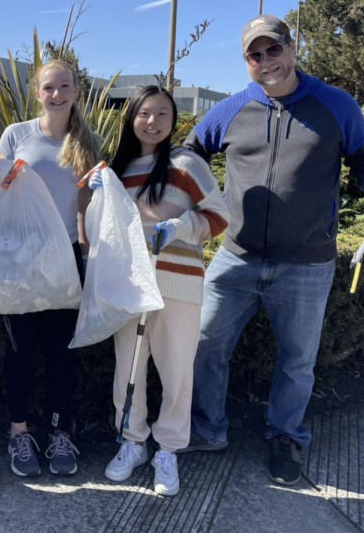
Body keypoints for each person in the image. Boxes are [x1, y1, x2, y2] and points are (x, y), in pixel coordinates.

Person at [180, 14, 364, 485]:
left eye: (273, 49)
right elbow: (190, 152)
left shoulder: (334, 104)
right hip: (236, 256)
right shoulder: (231, 109)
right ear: (246, 61)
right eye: (255, 54)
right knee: (206, 344)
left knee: (297, 359)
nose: (266, 61)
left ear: (292, 47)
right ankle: (207, 428)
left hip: (307, 262)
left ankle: (286, 435)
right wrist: (193, 206)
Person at [88, 86, 228, 496]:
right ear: (131, 117)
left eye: (162, 114)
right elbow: (102, 230)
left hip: (178, 283)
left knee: (176, 372)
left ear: (173, 119)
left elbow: (220, 215)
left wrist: (182, 227)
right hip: (130, 285)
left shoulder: (187, 164)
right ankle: (132, 442)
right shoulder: (118, 168)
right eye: (144, 113)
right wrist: (97, 195)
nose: (152, 122)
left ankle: (168, 449)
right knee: (127, 370)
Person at [0, 58, 100, 478]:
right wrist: (2, 178)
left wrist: (90, 258)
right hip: (18, 257)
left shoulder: (86, 142)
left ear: (75, 91)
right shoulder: (15, 134)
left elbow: (87, 209)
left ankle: (60, 431)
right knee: (19, 350)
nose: (56, 94)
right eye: (48, 88)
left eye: (64, 87)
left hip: (65, 260)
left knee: (61, 352)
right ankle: (18, 434)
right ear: (36, 93)